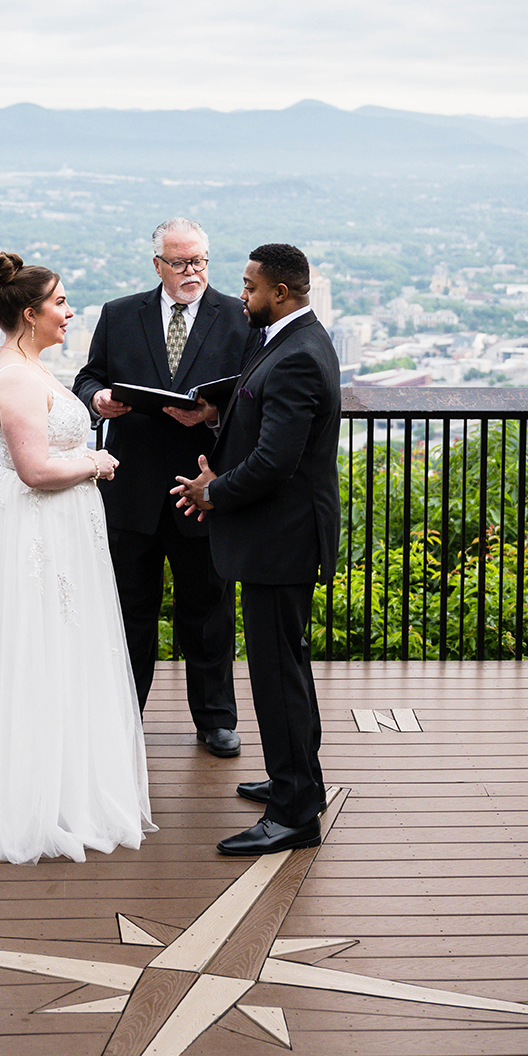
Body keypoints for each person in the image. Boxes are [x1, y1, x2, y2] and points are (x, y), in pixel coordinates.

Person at [0, 252, 154, 865]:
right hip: (37, 531)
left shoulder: (32, 367)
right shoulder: (15, 378)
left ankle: (66, 787)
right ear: (29, 314)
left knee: (66, 648)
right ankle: (33, 803)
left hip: (62, 530)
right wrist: (96, 461)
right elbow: (32, 470)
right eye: (60, 302)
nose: (70, 311)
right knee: (38, 648)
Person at [173, 243, 341, 857]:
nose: (242, 296)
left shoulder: (296, 354)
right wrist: (221, 412)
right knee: (284, 669)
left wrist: (214, 492)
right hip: (279, 538)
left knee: (276, 676)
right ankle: (297, 781)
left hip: (281, 541)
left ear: (282, 292)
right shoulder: (291, 338)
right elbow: (260, 415)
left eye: (250, 288)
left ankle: (294, 813)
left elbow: (276, 460)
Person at [73, 217, 254, 756]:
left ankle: (216, 720)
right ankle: (123, 718)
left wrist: (213, 414)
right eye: (179, 262)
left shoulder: (239, 317)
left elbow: (251, 396)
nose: (191, 271)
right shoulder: (119, 313)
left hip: (201, 486)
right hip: (131, 490)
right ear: (157, 265)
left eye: (199, 260)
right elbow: (88, 376)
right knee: (129, 612)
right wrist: (98, 399)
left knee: (209, 611)